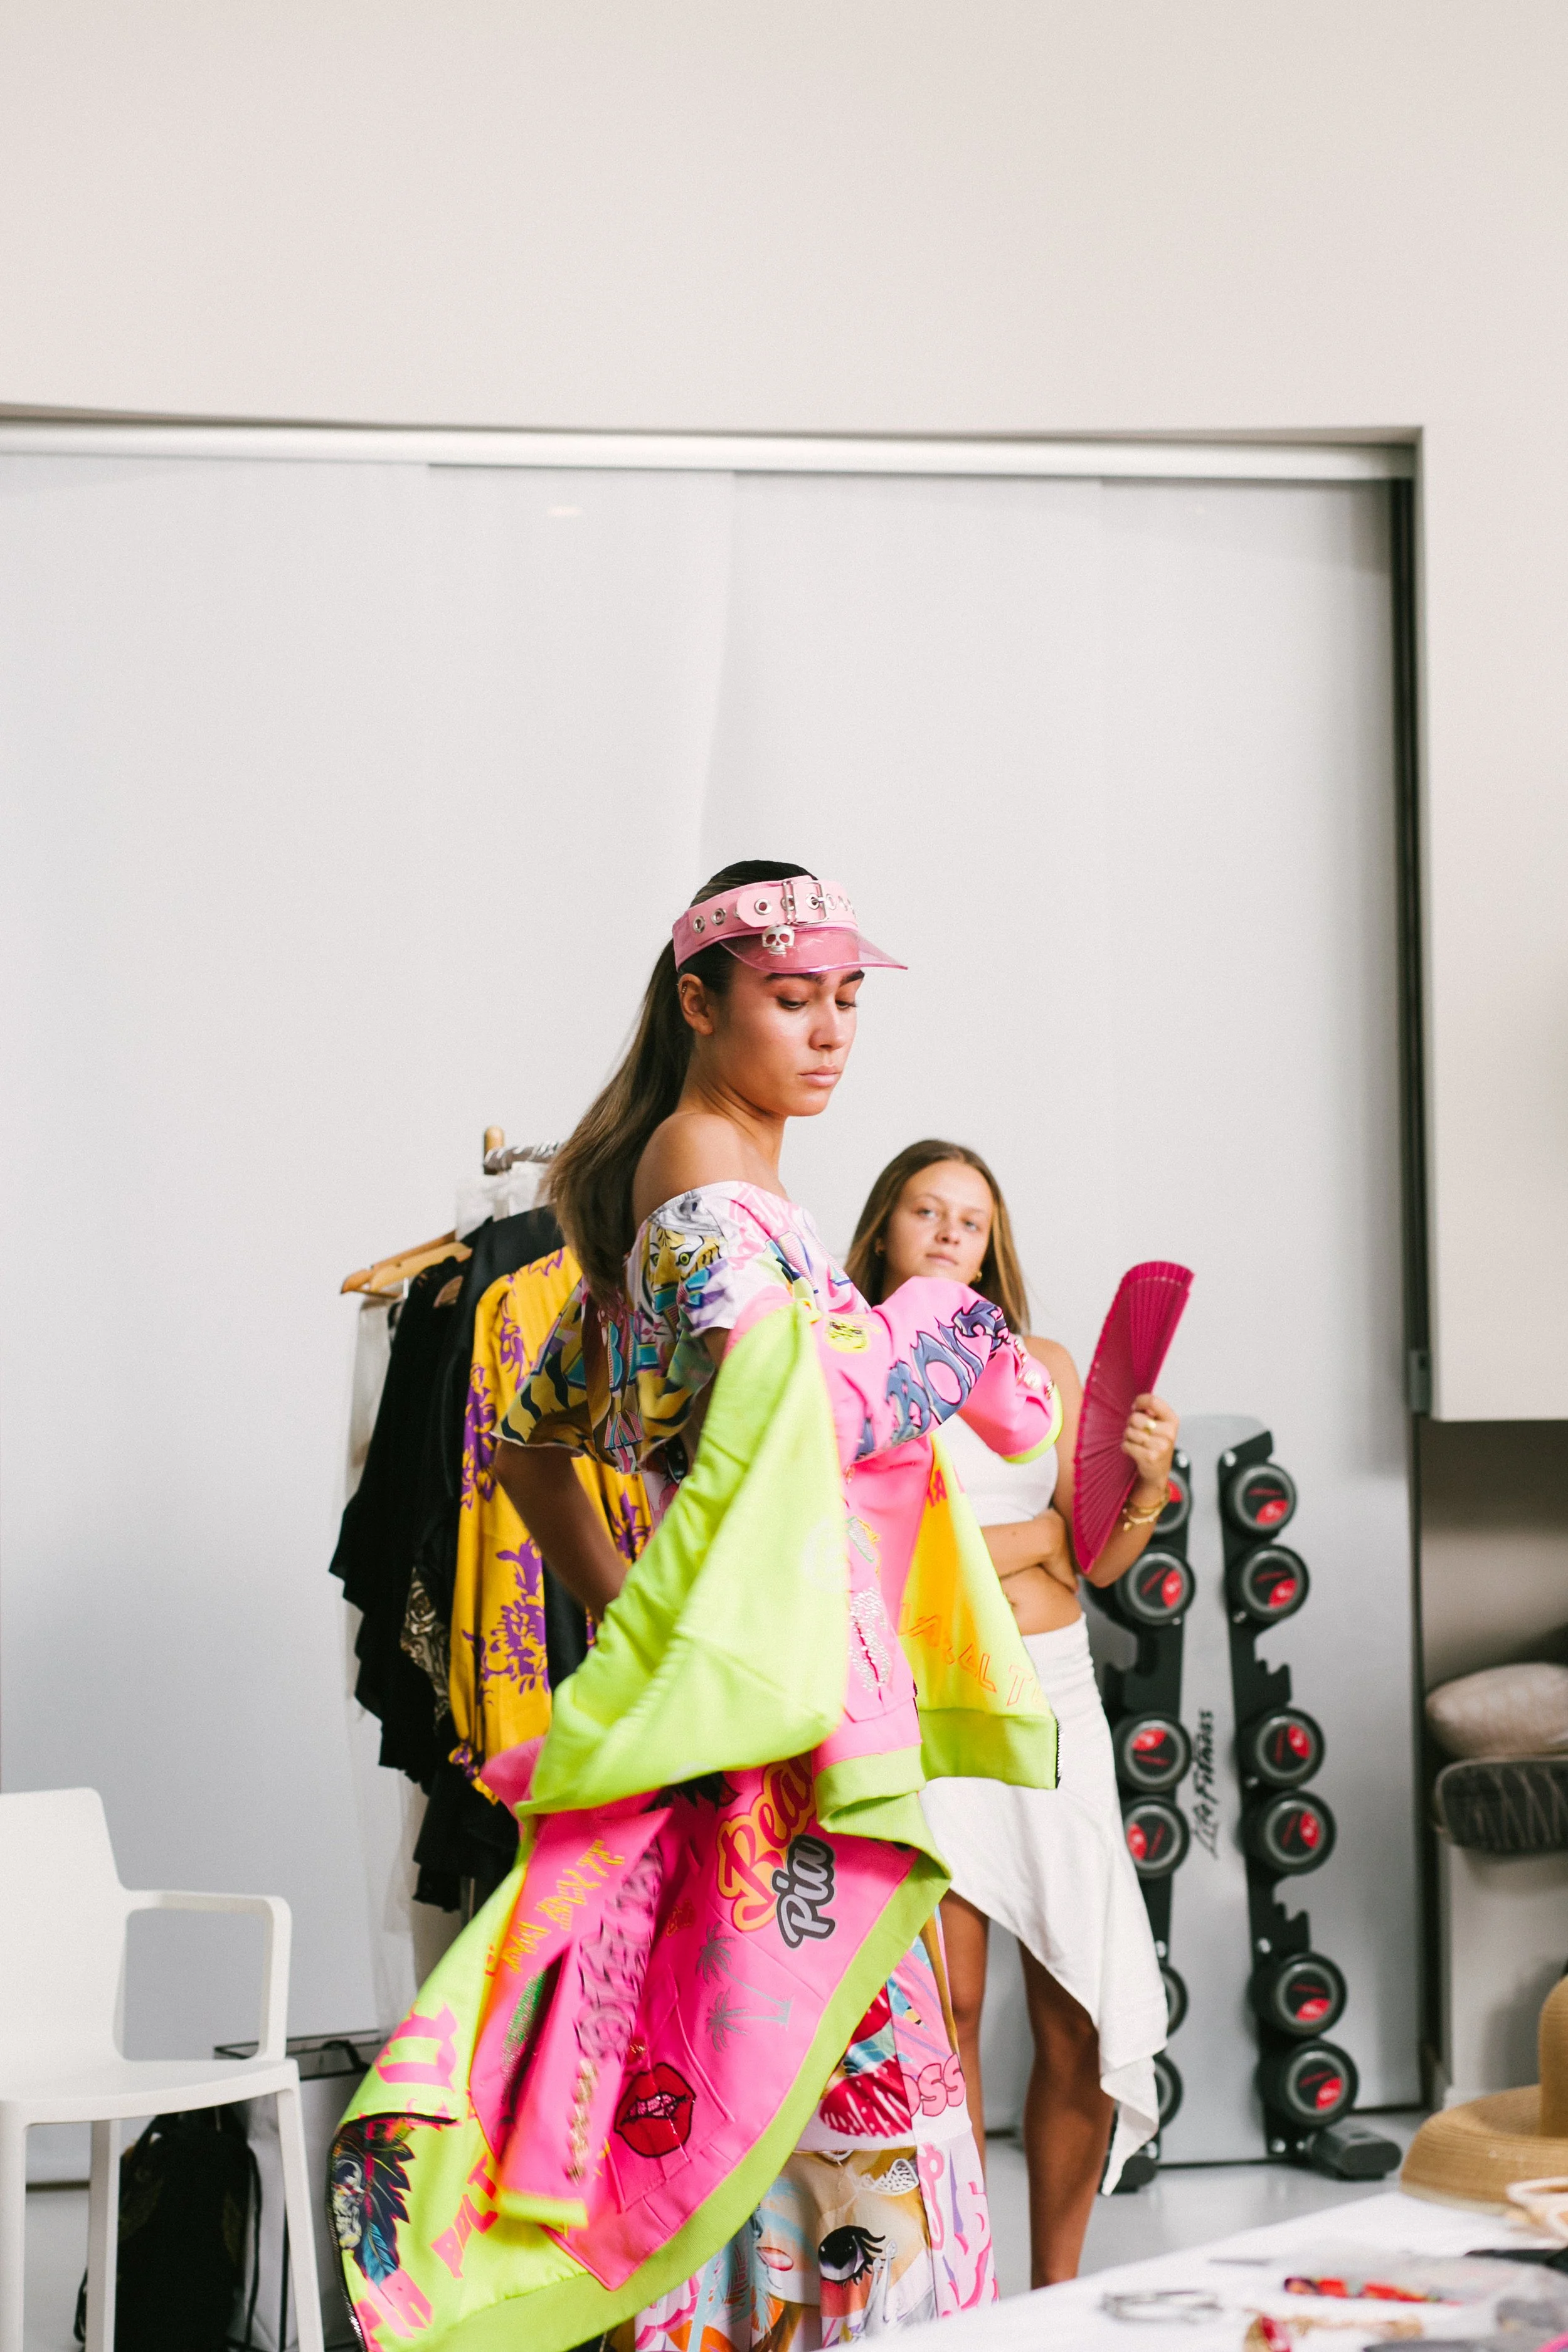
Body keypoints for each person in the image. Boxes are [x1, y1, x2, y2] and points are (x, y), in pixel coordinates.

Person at [330, 871, 1065, 2352]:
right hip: (770, 1740)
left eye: (847, 999)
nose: (829, 1031)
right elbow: (783, 1410)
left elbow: (537, 1439)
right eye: (792, 999)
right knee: (834, 2125)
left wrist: (630, 1614)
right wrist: (943, 1323)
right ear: (697, 1001)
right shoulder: (704, 1190)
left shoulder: (694, 1196)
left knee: (751, 2108)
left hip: (768, 1712)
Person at [846, 1141, 1180, 2288]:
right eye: (924, 1211)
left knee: (1078, 2007)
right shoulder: (862, 1365)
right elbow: (878, 1556)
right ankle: (965, 2286)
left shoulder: (1037, 1362)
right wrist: (1034, 1540)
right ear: (884, 1230)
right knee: (951, 2004)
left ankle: (1058, 2292)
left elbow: (1096, 1555)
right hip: (930, 1701)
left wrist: (1140, 1485)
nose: (948, 1233)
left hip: (1054, 1695)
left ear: (994, 1244)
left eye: (971, 1220)